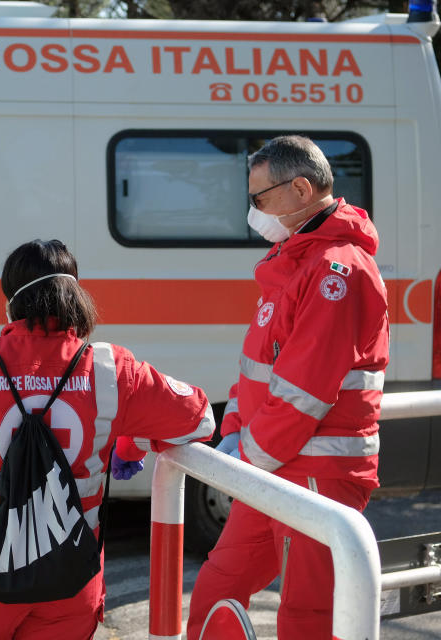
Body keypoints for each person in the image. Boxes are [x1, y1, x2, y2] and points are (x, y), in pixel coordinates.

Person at [0, 239, 215, 640]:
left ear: (12, 302)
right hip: (69, 573)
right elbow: (199, 419)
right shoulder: (110, 368)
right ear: (73, 294)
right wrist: (132, 441)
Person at [186, 135, 389, 640]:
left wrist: (244, 461)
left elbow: (305, 392)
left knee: (307, 618)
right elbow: (256, 370)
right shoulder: (296, 262)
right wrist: (233, 436)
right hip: (277, 470)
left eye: (259, 199)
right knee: (217, 585)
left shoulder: (335, 269)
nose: (253, 212)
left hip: (316, 471)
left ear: (300, 189)